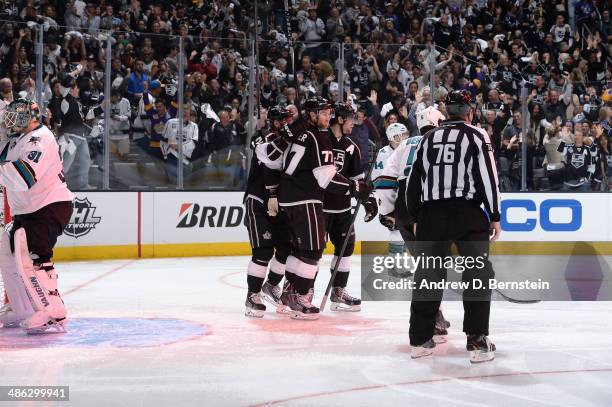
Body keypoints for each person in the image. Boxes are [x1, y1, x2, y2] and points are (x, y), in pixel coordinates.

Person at [405, 90, 501, 363]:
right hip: (466, 213)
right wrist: (495, 215)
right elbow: (488, 178)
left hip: (431, 215)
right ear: (469, 111)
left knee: (428, 276)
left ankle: (420, 340)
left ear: (447, 112)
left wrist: (415, 217)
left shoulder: (427, 138)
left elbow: (414, 182)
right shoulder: (476, 135)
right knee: (478, 274)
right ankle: (477, 339)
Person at [271, 97, 372, 320]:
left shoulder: (302, 133)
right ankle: (301, 297)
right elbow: (326, 178)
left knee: (300, 250)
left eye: (329, 113)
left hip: (291, 197)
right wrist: (356, 187)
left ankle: (291, 294)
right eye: (324, 114)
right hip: (305, 198)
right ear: (313, 115)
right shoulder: (320, 138)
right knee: (313, 249)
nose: (328, 117)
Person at [0, 98, 74, 333]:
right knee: (13, 257)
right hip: (29, 209)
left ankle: (54, 310)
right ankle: (23, 308)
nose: (9, 121)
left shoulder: (39, 139)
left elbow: (24, 177)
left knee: (36, 258)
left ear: (29, 118)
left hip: (48, 206)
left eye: (15, 116)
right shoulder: (17, 139)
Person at [323, 102, 377, 312]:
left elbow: (357, 180)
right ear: (340, 119)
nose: (354, 123)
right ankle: (300, 292)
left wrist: (368, 200)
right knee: (311, 251)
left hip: (342, 209)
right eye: (350, 119)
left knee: (346, 248)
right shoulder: (321, 140)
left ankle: (338, 290)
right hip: (319, 207)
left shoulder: (351, 147)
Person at [243, 106, 292, 317]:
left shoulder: (291, 141)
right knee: (263, 251)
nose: (287, 123)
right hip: (258, 202)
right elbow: (269, 155)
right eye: (283, 120)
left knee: (285, 247)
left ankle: (271, 285)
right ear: (275, 122)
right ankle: (252, 295)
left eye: (289, 119)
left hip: (279, 203)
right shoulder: (262, 139)